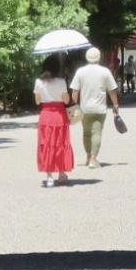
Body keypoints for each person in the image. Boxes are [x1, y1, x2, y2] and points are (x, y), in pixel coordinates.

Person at [70, 47, 120, 168]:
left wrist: (73, 105)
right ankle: (93, 159)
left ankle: (88, 156)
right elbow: (112, 91)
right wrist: (115, 105)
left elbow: (75, 90)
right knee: (97, 133)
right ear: (99, 57)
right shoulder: (105, 72)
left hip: (84, 108)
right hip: (100, 108)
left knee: (86, 133)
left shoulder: (80, 72)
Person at [34, 52, 75, 187]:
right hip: (59, 115)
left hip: (45, 115)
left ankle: (49, 176)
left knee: (47, 144)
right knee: (60, 143)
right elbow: (66, 100)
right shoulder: (62, 82)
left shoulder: (39, 82)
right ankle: (61, 173)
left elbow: (37, 101)